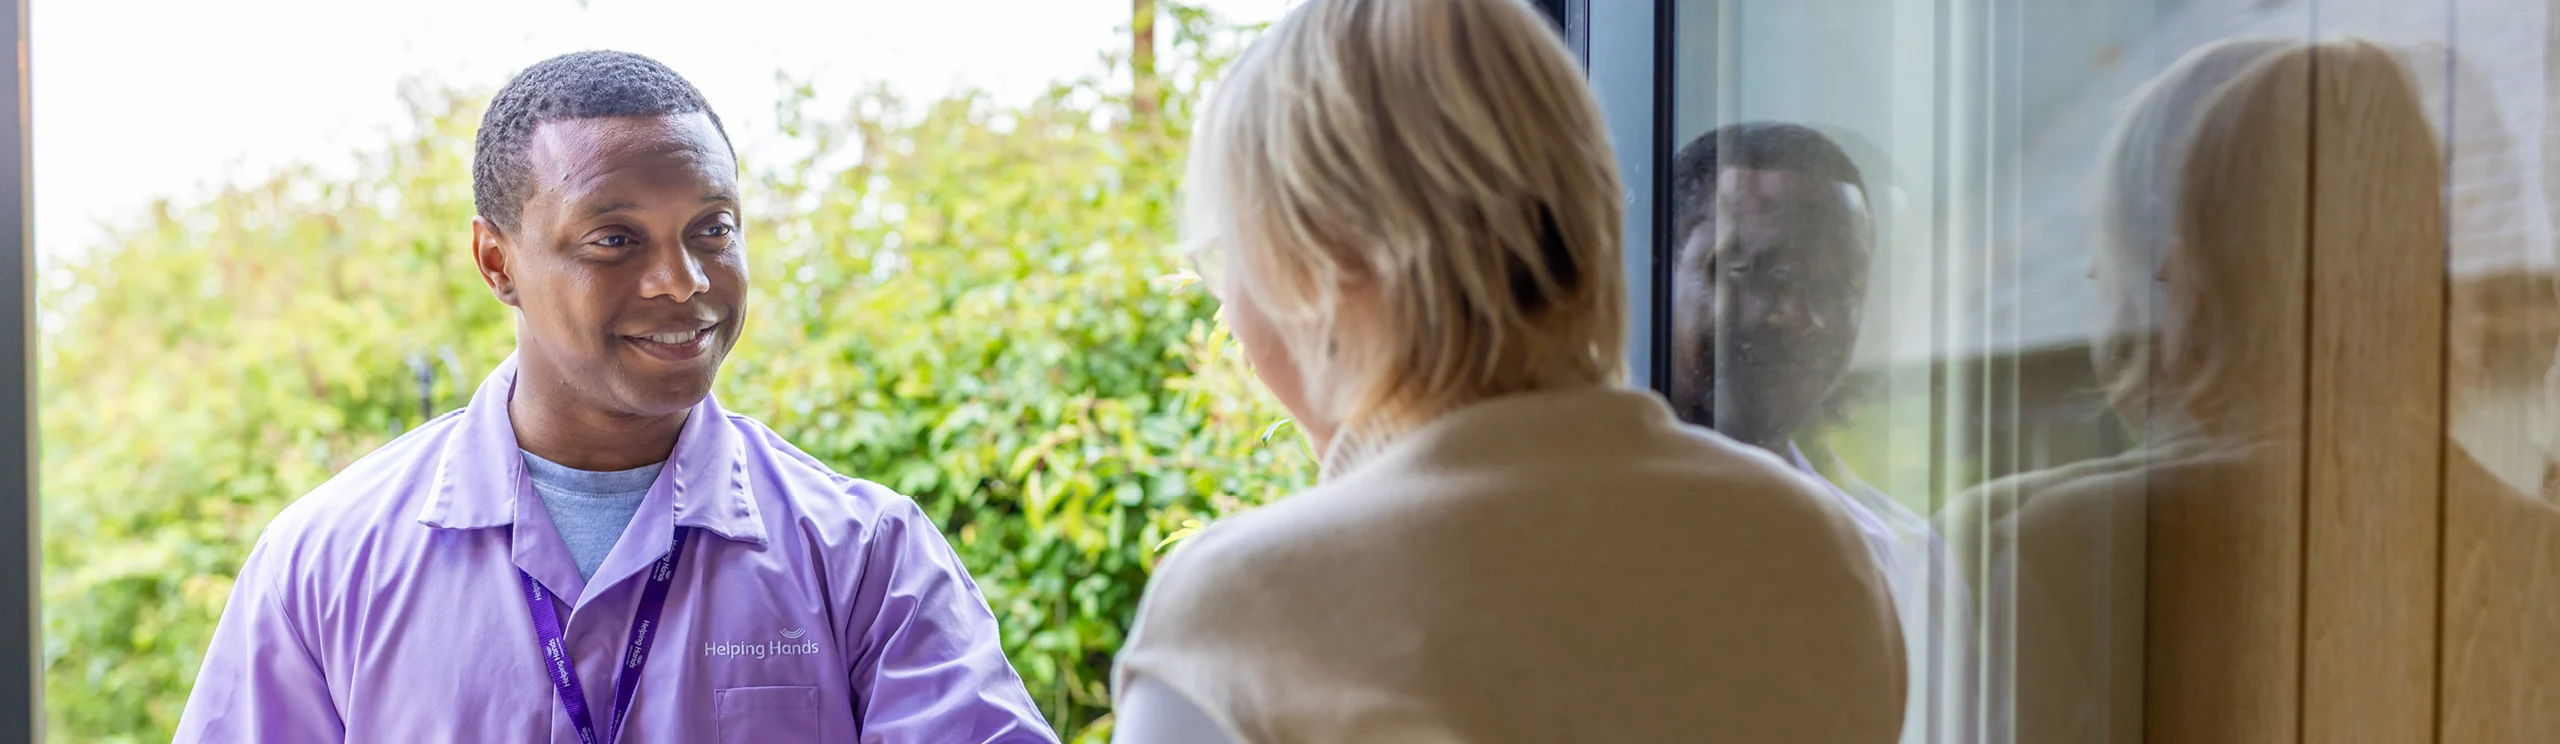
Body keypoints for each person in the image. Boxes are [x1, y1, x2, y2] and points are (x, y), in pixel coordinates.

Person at [175, 51, 1054, 743]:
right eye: (615, 239)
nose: (682, 280)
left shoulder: (863, 557)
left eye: (712, 229)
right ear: (496, 262)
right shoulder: (327, 563)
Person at [1110, 0, 1906, 741]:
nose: (1230, 311)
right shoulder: (1816, 549)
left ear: (1320, 262)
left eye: (1227, 257)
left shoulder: (1242, 614)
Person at [1946, 37, 2451, 743]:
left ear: (2181, 280)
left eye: (2109, 255)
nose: (2095, 278)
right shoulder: (2527, 539)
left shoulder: (2061, 542)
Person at [1665, 121, 1974, 744]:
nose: (1801, 316)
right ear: (1653, 271)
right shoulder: (1568, 525)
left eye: (1838, 287)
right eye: (1755, 270)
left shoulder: (1904, 565)